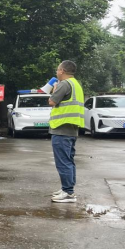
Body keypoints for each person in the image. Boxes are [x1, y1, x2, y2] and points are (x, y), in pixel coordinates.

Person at [49, 60, 84, 203]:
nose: (57, 72)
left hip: (62, 128)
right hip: (71, 128)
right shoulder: (76, 84)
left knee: (63, 161)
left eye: (58, 70)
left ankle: (68, 193)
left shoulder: (64, 84)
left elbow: (52, 101)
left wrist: (54, 88)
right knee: (68, 160)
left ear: (62, 71)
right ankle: (67, 188)